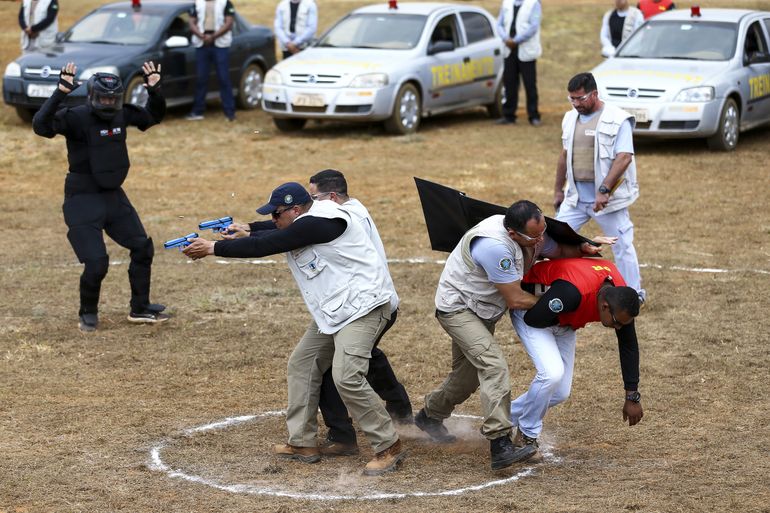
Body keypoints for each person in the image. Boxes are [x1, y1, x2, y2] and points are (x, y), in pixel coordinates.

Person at [182, 182, 407, 476]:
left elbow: (268, 244)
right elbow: (275, 231)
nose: (274, 220)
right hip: (337, 309)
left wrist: (214, 247)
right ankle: (302, 443)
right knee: (302, 364)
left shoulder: (321, 221)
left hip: (364, 307)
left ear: (296, 210)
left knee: (347, 377)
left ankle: (388, 445)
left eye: (277, 214)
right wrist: (248, 228)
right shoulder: (307, 218)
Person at [415, 200, 605, 471]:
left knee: (465, 378)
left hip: (483, 310)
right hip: (459, 309)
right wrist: (557, 303)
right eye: (535, 237)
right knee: (493, 367)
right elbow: (515, 298)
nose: (541, 240)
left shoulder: (533, 233)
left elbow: (558, 249)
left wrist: (581, 247)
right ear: (514, 234)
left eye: (543, 231)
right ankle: (500, 443)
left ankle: (429, 416)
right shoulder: (495, 246)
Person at [32, 61, 169, 332]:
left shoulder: (121, 115)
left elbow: (152, 117)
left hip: (112, 195)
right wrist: (60, 92)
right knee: (97, 263)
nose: (108, 102)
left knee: (142, 247)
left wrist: (155, 90)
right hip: (82, 198)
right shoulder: (76, 117)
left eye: (113, 98)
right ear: (92, 96)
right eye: (103, 97)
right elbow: (41, 126)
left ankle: (140, 308)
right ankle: (88, 313)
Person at [509, 257, 644, 457]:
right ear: (605, 306)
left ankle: (501, 419)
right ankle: (526, 435)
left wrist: (632, 396)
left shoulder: (621, 298)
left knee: (560, 391)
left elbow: (628, 344)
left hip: (563, 319)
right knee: (551, 374)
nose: (618, 328)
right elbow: (534, 318)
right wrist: (566, 314)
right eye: (616, 323)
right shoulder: (573, 294)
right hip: (532, 312)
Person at [554, 72, 646, 304]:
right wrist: (557, 189)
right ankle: (555, 286)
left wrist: (604, 191)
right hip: (575, 199)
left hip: (607, 201)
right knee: (553, 240)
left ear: (594, 94)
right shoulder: (569, 118)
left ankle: (633, 295)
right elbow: (564, 156)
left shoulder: (618, 119)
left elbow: (624, 157)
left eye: (580, 98)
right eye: (571, 99)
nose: (576, 104)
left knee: (622, 245)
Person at [187, 0, 237, 121]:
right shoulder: (197, 3)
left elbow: (229, 23)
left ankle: (229, 113)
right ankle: (197, 111)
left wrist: (213, 36)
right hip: (202, 43)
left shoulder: (225, 3)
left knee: (223, 78)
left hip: (220, 44)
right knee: (201, 78)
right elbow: (191, 23)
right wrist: (201, 35)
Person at [495, 0, 542, 126]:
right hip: (509, 49)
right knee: (509, 82)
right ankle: (509, 115)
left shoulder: (533, 3)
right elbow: (499, 23)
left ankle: (533, 115)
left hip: (525, 50)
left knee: (530, 84)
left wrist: (516, 40)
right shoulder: (507, 2)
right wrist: (506, 38)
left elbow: (534, 26)